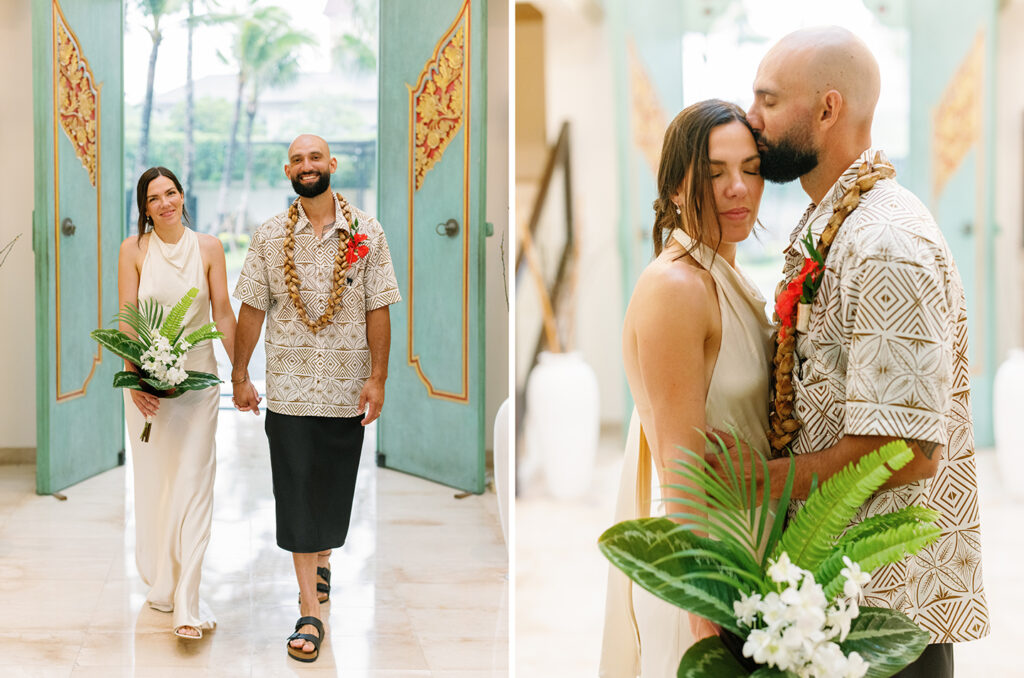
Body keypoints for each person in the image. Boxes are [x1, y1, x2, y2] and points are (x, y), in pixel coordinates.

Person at [737, 26, 989, 677]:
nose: (751, 116)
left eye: (768, 99)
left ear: (828, 109)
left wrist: (761, 482)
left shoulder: (884, 242)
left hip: (881, 616)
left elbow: (906, 451)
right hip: (835, 598)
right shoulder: (837, 218)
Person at [599, 99, 774, 677]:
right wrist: (703, 607)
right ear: (677, 186)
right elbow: (680, 460)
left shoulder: (722, 272)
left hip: (749, 549)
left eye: (750, 169)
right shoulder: (676, 286)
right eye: (715, 172)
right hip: (707, 566)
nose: (737, 188)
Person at [230, 133, 401, 663]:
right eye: (297, 160)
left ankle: (321, 561)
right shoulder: (268, 236)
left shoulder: (368, 232)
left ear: (332, 164)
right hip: (289, 388)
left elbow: (378, 307)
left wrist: (378, 378)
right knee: (296, 493)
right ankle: (309, 609)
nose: (307, 166)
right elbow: (252, 309)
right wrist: (240, 374)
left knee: (330, 490)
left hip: (346, 388)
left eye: (315, 157)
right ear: (288, 171)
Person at [117, 166, 238, 639]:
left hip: (199, 383)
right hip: (148, 388)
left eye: (171, 193)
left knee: (194, 482)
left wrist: (241, 374)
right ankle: (164, 581)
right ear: (145, 209)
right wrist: (134, 378)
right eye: (154, 198)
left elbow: (222, 312)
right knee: (159, 484)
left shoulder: (208, 247)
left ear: (183, 196)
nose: (165, 203)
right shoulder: (133, 250)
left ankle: (188, 601)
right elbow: (128, 317)